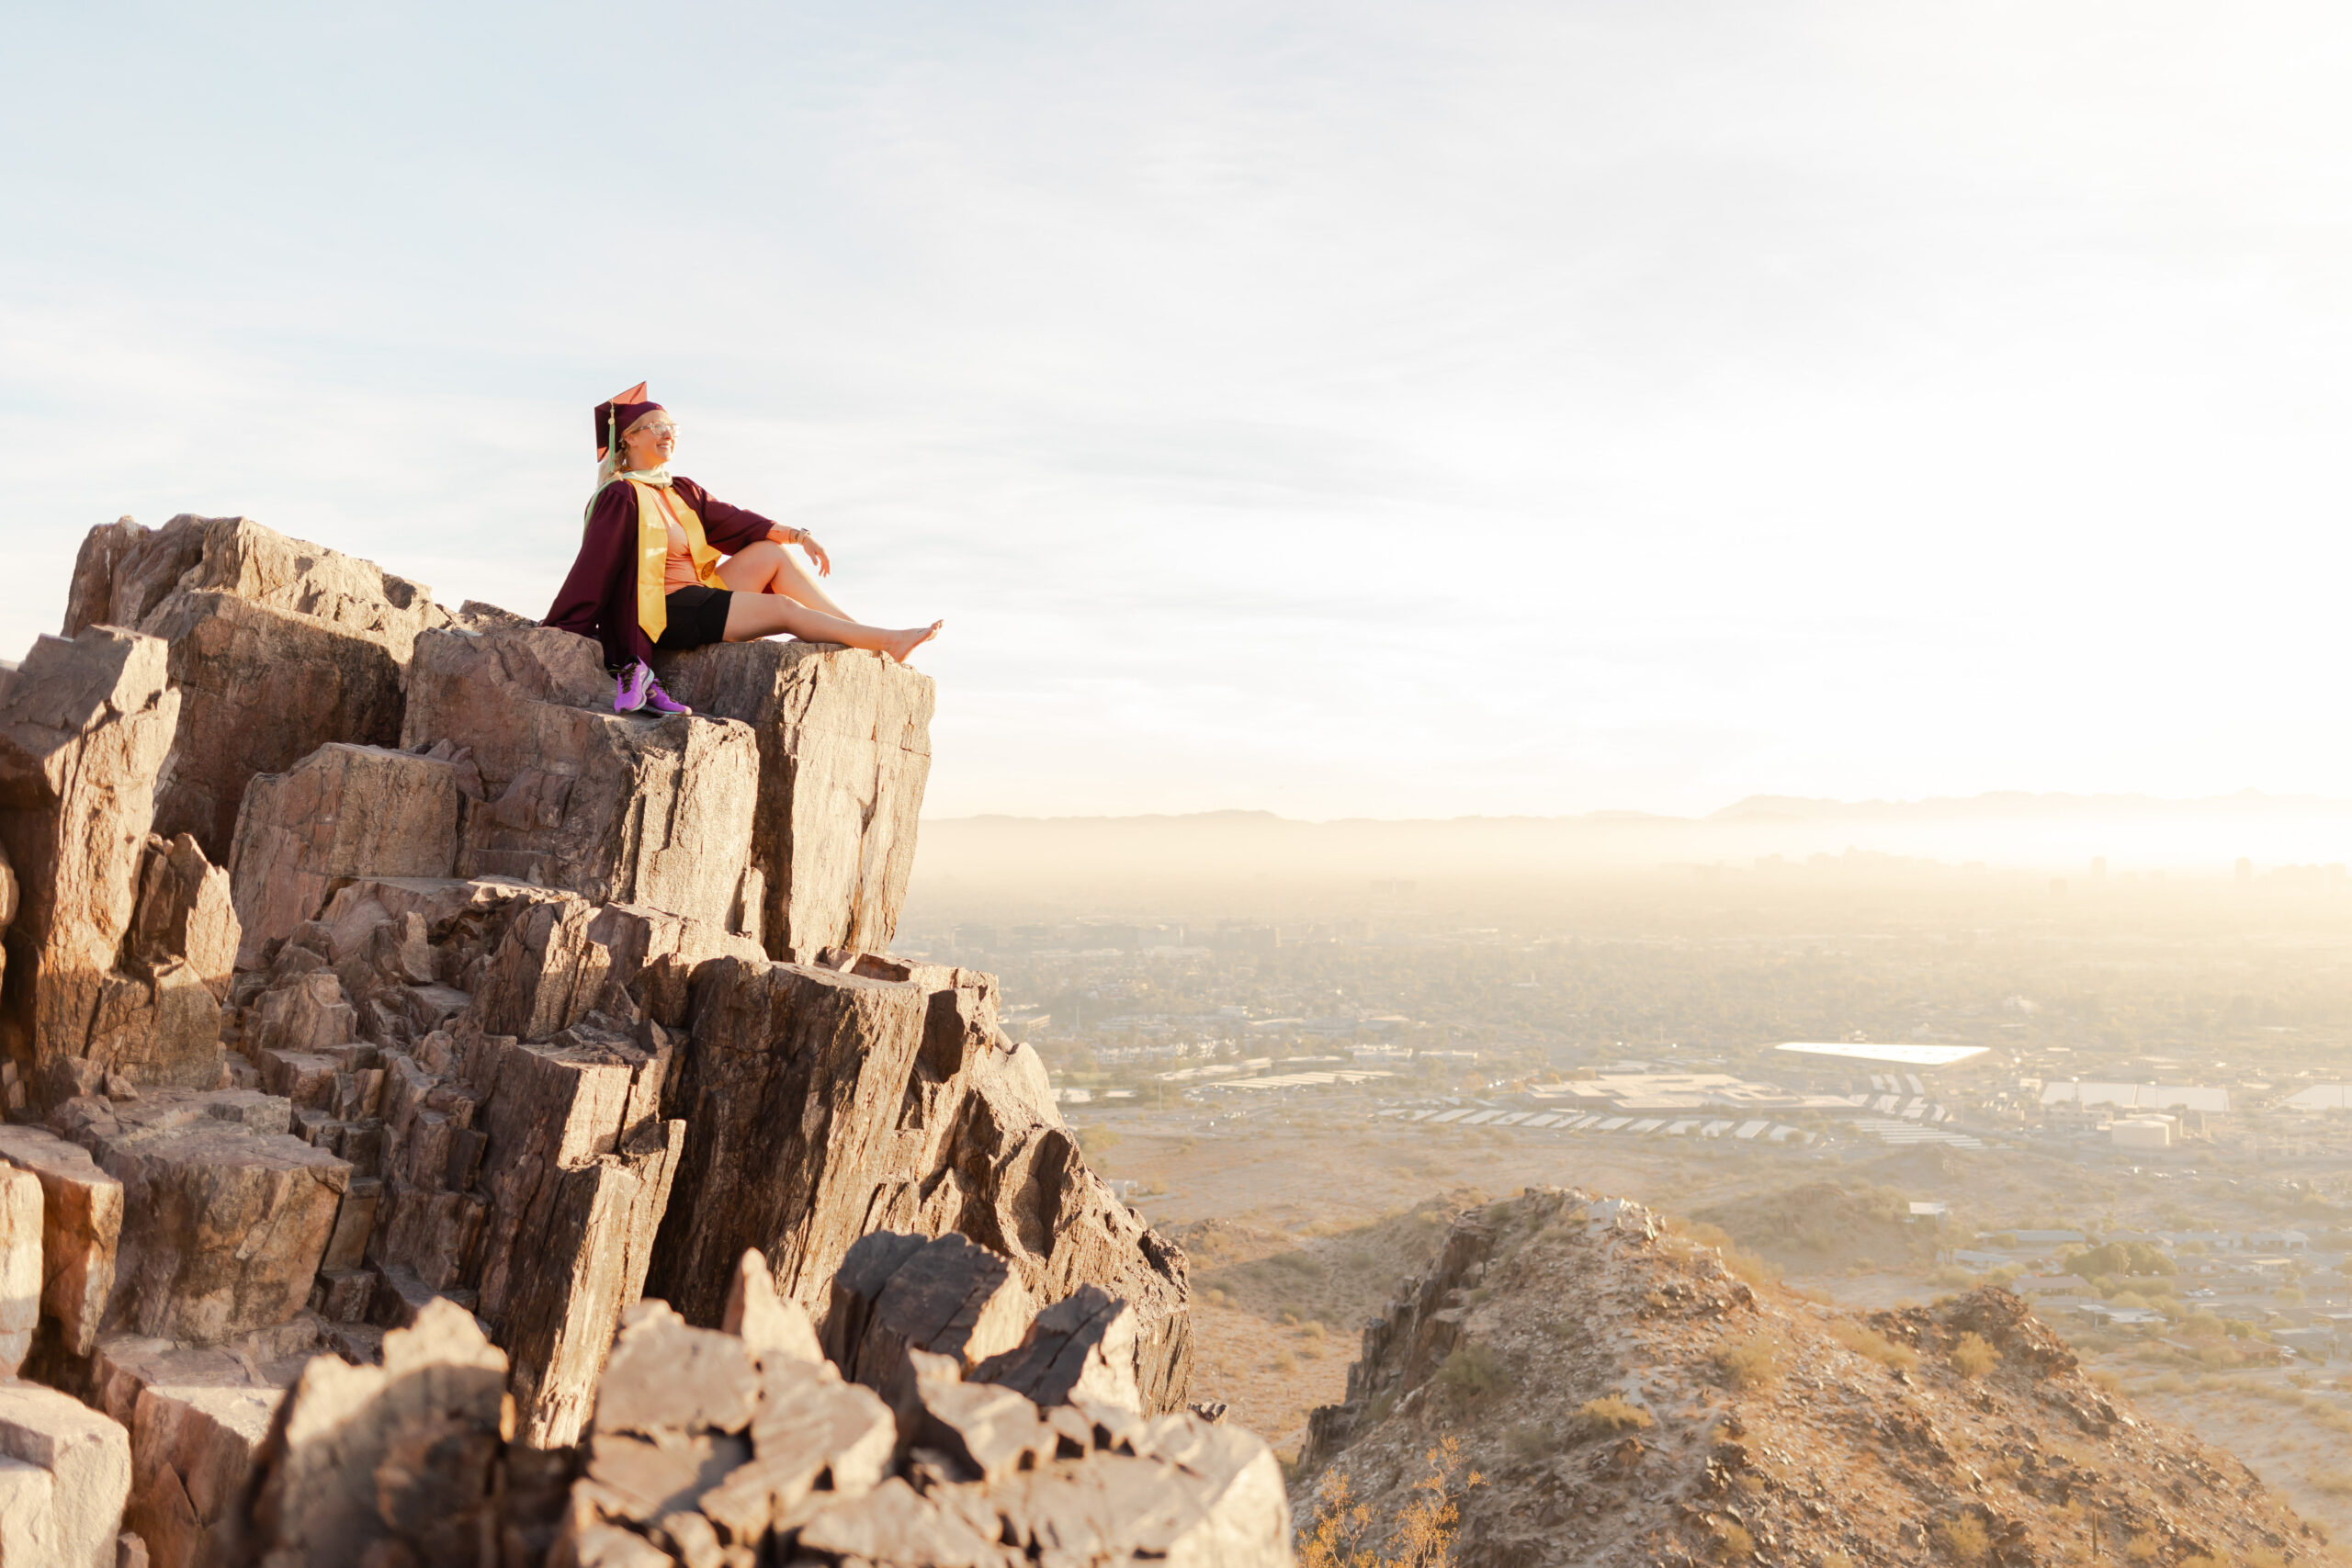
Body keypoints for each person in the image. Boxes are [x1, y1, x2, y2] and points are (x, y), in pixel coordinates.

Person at [543, 383, 942, 714]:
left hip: (698, 591)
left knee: (771, 554)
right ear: (627, 439)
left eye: (671, 427)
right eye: (653, 427)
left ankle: (856, 632)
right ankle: (887, 641)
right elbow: (594, 570)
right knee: (783, 609)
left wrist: (800, 536)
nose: (667, 434)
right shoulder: (620, 496)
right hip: (662, 611)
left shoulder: (681, 489)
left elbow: (736, 521)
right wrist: (566, 631)